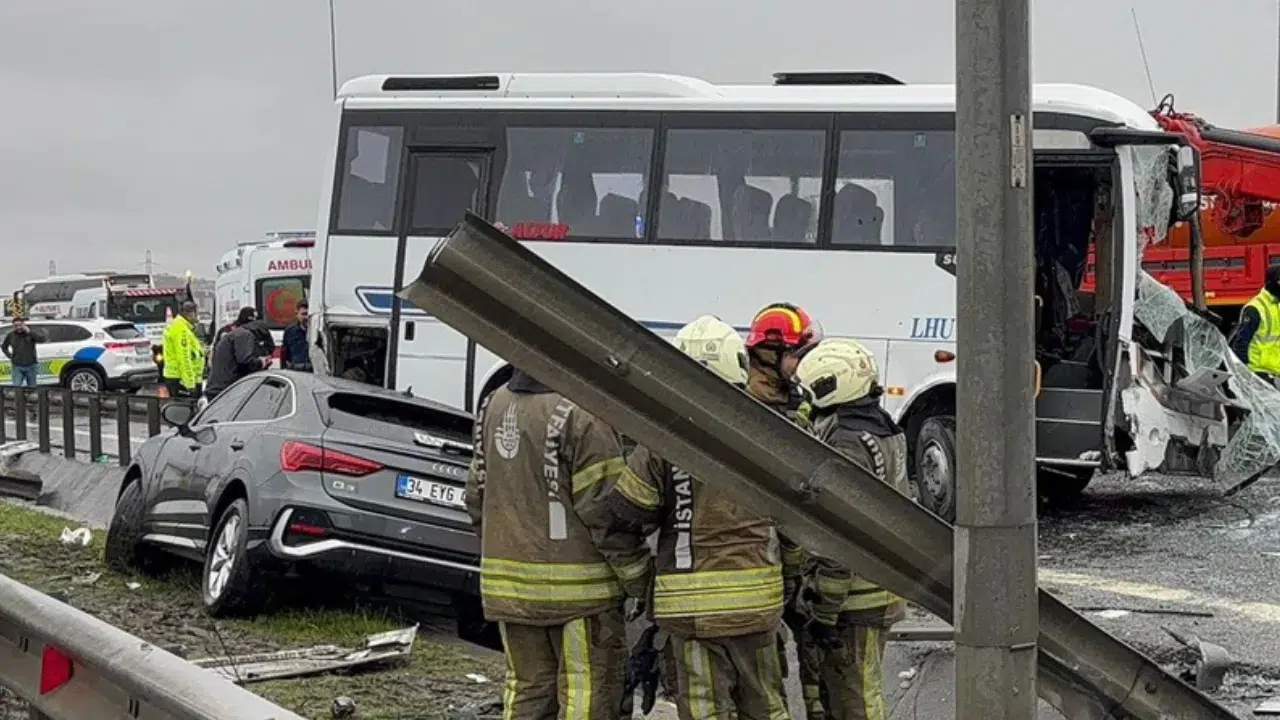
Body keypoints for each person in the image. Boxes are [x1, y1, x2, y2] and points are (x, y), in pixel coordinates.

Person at [587, 315, 791, 720]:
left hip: (692, 615)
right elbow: (798, 533)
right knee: (767, 708)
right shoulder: (774, 434)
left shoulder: (666, 441)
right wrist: (792, 580)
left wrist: (642, 584)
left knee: (704, 712)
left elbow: (623, 518)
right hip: (760, 611)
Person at [466, 366, 646, 720]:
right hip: (582, 597)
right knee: (586, 695)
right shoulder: (583, 415)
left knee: (527, 693)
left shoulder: (494, 405)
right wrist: (639, 578)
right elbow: (606, 514)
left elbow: (476, 496)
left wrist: (506, 547)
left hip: (510, 592)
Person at [793, 339, 911, 720]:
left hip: (851, 598)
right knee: (858, 692)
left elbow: (839, 535)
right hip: (879, 589)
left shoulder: (845, 442)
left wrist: (824, 608)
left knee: (854, 701)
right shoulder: (884, 428)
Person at [741, 301, 825, 717]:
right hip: (765, 565)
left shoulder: (792, 403)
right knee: (762, 688)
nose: (802, 363)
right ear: (769, 355)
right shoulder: (752, 413)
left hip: (787, 565)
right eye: (797, 354)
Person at [1231, 265, 1280, 382]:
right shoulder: (1254, 308)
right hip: (1258, 372)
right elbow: (1241, 343)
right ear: (1271, 283)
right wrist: (1243, 375)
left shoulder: (1277, 304)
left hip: (1275, 371)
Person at [204, 320, 274, 402]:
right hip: (227, 390)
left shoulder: (234, 334)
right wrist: (261, 362)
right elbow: (245, 362)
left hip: (218, 388)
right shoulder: (245, 335)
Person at [161, 301, 205, 400]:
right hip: (180, 378)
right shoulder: (181, 330)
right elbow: (184, 358)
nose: (197, 317)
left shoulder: (180, 326)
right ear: (190, 314)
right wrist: (190, 384)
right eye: (197, 314)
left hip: (178, 377)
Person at [2, 317, 46, 388]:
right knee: (16, 387)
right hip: (17, 366)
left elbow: (42, 340)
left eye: (20, 325)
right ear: (13, 326)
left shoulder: (30, 334)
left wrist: (29, 332)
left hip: (30, 365)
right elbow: (4, 347)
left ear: (24, 325)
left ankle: (31, 399)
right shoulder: (11, 335)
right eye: (16, 326)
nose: (18, 327)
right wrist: (10, 356)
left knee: (32, 387)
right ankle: (19, 399)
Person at [279, 300, 311, 372]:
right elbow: (284, 353)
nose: (307, 317)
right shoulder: (290, 331)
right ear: (297, 314)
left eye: (309, 314)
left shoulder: (319, 331)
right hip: (296, 372)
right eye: (304, 314)